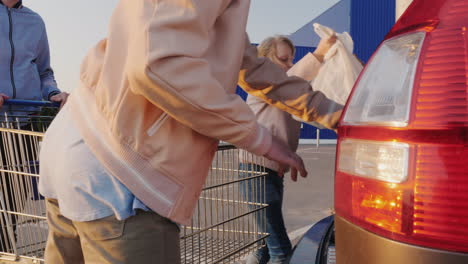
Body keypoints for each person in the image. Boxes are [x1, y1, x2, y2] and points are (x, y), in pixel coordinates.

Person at [38, 0, 343, 263]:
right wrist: (259, 138)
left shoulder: (214, 19)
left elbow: (256, 70)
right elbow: (157, 66)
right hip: (122, 165)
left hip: (82, 138)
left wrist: (341, 116)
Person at [239, 35, 335, 264]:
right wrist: (319, 55)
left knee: (265, 244)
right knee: (280, 250)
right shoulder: (263, 87)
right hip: (257, 171)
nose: (289, 64)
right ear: (263, 63)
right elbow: (291, 82)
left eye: (291, 59)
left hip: (270, 172)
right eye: (284, 59)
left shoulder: (277, 90)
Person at [0, 0, 68, 253]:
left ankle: (5, 252)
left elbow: (43, 71)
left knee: (12, 202)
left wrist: (52, 92)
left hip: (23, 120)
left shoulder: (35, 21)